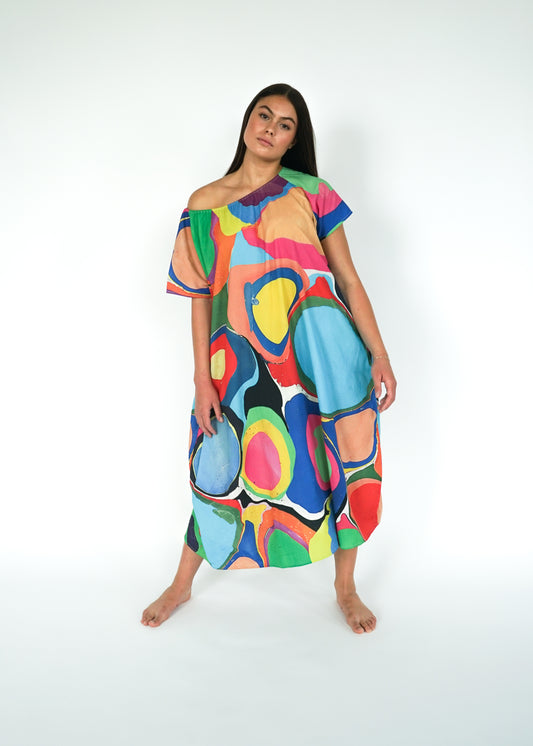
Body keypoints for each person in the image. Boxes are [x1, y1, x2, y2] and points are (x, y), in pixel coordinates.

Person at [141, 83, 396, 634]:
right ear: (247, 120)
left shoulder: (313, 192)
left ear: (293, 141)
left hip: (323, 357)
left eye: (285, 125)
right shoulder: (203, 204)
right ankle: (181, 583)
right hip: (240, 363)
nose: (271, 130)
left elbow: (348, 279)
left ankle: (345, 588)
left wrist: (379, 354)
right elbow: (199, 296)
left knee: (342, 463)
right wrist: (202, 379)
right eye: (264, 116)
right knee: (218, 465)